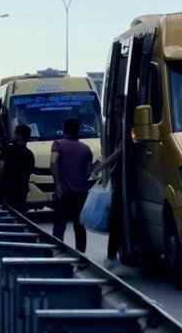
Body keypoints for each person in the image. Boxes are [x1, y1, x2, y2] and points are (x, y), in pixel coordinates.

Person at [91, 95, 125, 269]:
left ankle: (113, 255)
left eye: (120, 107)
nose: (117, 111)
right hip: (118, 176)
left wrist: (100, 168)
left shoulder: (126, 125)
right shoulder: (119, 124)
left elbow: (120, 152)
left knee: (116, 215)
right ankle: (114, 253)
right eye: (115, 108)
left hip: (124, 179)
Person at [51, 117, 94, 252]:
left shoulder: (58, 144)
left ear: (64, 129)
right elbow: (88, 172)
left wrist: (57, 183)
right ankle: (81, 254)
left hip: (63, 192)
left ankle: (58, 251)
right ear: (78, 130)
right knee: (79, 226)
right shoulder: (86, 149)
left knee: (59, 225)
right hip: (81, 193)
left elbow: (53, 161)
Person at [0, 125, 35, 214]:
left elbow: (1, 167)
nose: (12, 136)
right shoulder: (30, 154)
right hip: (22, 190)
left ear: (19, 136)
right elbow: (30, 171)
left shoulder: (9, 149)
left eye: (14, 133)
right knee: (19, 215)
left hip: (6, 187)